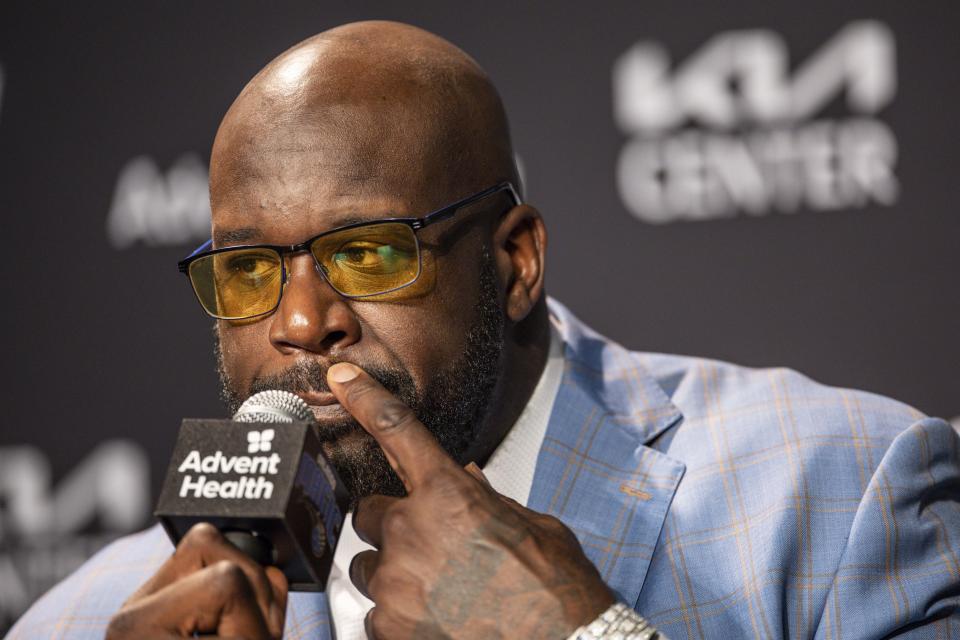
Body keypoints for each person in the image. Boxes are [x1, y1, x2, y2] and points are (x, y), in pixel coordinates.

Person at [8, 20, 959, 640]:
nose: (302, 324)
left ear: (513, 263)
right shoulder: (88, 618)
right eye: (251, 271)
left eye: (370, 253)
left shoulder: (848, 498)